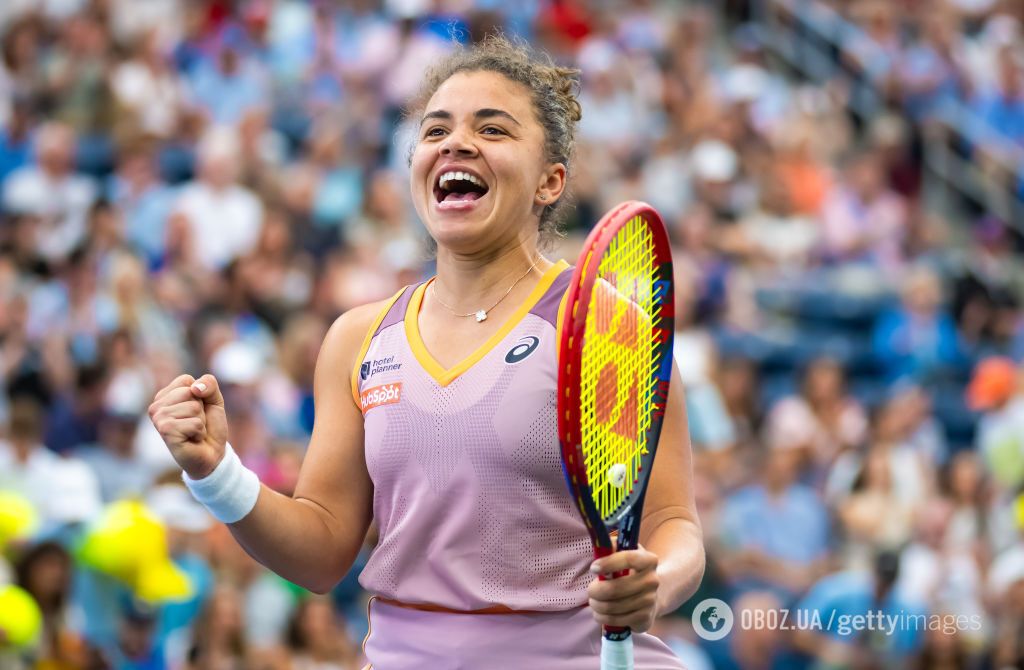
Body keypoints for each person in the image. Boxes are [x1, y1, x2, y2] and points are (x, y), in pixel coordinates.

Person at [147, 36, 703, 669]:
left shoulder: (608, 328)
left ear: (551, 181)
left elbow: (672, 524)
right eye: (435, 129)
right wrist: (217, 473)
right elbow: (323, 549)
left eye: (492, 129)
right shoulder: (359, 337)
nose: (455, 143)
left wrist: (654, 581)